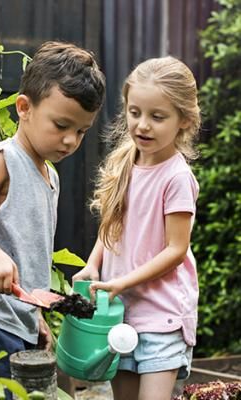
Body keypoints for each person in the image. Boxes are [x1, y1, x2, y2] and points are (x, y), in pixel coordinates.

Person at [0, 41, 105, 399]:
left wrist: (34, 316)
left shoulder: (50, 177)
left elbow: (26, 251)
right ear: (24, 108)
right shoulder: (3, 160)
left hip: (14, 321)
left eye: (82, 131)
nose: (71, 140)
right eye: (61, 125)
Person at [73, 56, 201, 400]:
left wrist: (121, 282)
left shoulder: (176, 178)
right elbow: (111, 224)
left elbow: (176, 250)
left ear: (184, 120)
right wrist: (93, 263)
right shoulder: (125, 162)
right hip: (119, 312)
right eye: (134, 112)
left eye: (157, 117)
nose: (142, 125)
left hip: (162, 318)